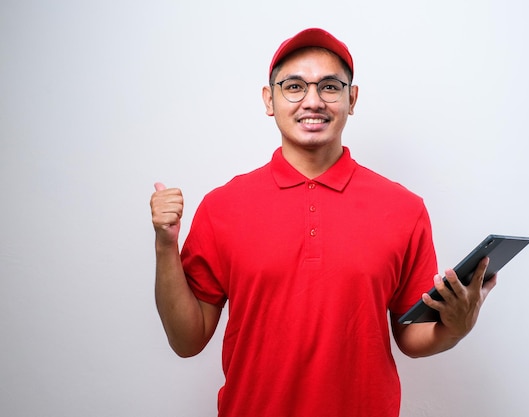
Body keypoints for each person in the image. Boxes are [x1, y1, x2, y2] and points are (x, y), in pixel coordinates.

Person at [150, 28, 496, 417]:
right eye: (294, 86)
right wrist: (166, 247)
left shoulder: (404, 208)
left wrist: (455, 326)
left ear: (352, 98)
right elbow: (187, 340)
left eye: (330, 86)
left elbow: (412, 337)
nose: (312, 101)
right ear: (269, 99)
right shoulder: (222, 207)